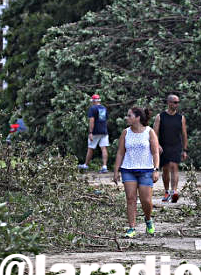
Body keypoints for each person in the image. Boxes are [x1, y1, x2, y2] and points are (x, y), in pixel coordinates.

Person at [112, 107, 161, 238]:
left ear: (137, 117)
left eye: (129, 116)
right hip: (128, 169)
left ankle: (148, 219)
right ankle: (132, 227)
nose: (126, 118)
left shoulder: (149, 132)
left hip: (146, 169)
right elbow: (121, 152)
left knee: (146, 200)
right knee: (130, 198)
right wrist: (116, 170)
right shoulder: (125, 133)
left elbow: (155, 152)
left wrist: (156, 169)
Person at [153, 94, 188, 203]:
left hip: (176, 146)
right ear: (169, 103)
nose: (176, 104)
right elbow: (154, 132)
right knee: (166, 168)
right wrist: (157, 144)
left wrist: (185, 149)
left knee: (174, 167)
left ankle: (174, 191)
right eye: (174, 102)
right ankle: (167, 191)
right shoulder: (160, 116)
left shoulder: (181, 118)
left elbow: (184, 134)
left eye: (178, 102)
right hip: (164, 146)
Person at [78, 94, 109, 172]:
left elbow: (92, 121)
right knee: (104, 148)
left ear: (93, 101)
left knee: (90, 148)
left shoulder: (92, 108)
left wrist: (90, 132)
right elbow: (105, 119)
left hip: (95, 132)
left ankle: (85, 165)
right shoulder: (104, 108)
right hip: (104, 131)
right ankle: (104, 166)